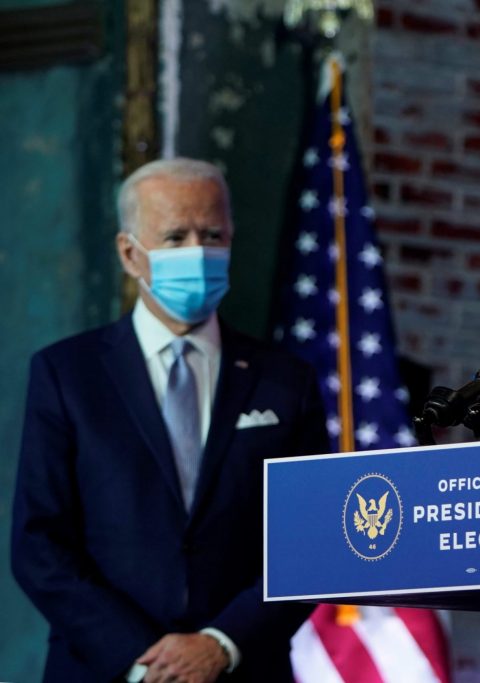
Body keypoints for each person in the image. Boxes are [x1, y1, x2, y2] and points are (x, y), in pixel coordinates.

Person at [12, 158, 329, 682]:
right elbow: (39, 544)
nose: (197, 253)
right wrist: (144, 660)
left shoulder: (285, 381)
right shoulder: (67, 374)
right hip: (106, 670)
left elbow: (313, 538)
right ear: (129, 253)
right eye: (175, 236)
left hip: (244, 669)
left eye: (212, 234)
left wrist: (222, 643)